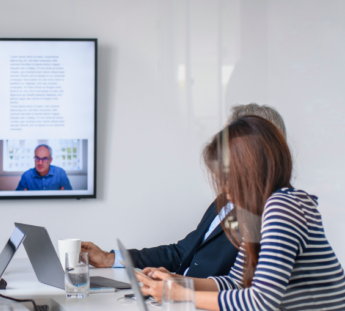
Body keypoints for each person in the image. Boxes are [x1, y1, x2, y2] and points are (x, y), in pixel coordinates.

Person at [136, 115, 345, 311]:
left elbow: (260, 301)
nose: (226, 191)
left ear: (249, 172)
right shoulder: (260, 212)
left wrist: (180, 295)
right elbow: (236, 282)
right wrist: (178, 282)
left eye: (228, 178)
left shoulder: (282, 206)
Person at [81, 104, 287, 278]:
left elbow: (249, 290)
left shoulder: (275, 212)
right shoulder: (225, 201)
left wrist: (181, 291)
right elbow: (182, 252)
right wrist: (111, 258)